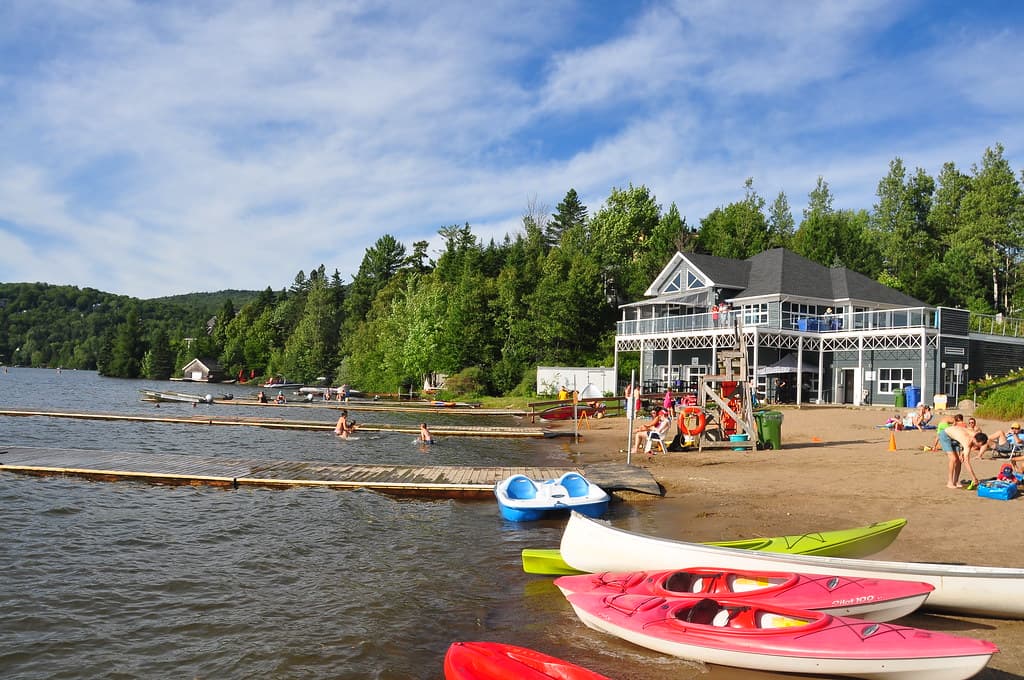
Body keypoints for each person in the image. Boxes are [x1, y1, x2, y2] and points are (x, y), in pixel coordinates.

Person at [937, 423, 987, 490]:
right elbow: (967, 462)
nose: (978, 447)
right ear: (975, 440)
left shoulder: (975, 434)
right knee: (953, 459)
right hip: (945, 435)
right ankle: (950, 482)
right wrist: (974, 477)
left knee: (959, 461)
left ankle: (955, 481)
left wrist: (963, 452)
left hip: (954, 438)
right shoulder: (967, 441)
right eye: (978, 445)